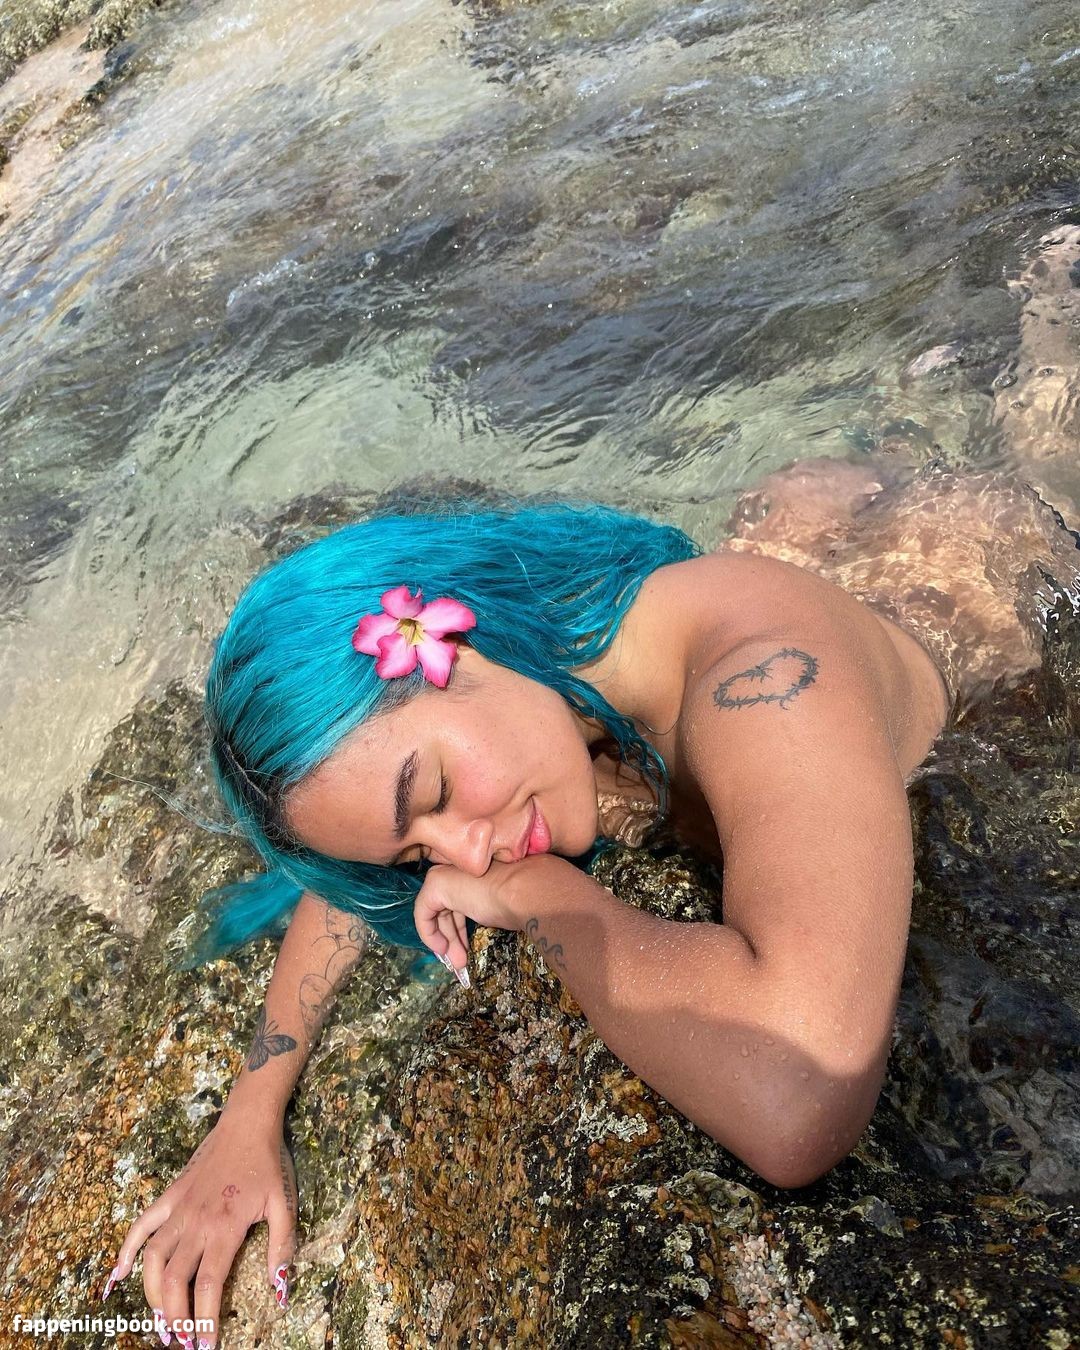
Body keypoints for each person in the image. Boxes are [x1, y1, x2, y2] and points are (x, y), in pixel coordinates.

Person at [103, 226, 1080, 1349]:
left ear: (461, 639)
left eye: (436, 793)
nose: (464, 854)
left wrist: (547, 900)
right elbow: (351, 866)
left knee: (1044, 441)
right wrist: (252, 1106)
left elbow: (799, 1105)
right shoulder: (548, 708)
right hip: (808, 549)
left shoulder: (765, 682)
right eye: (419, 854)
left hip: (980, 581)